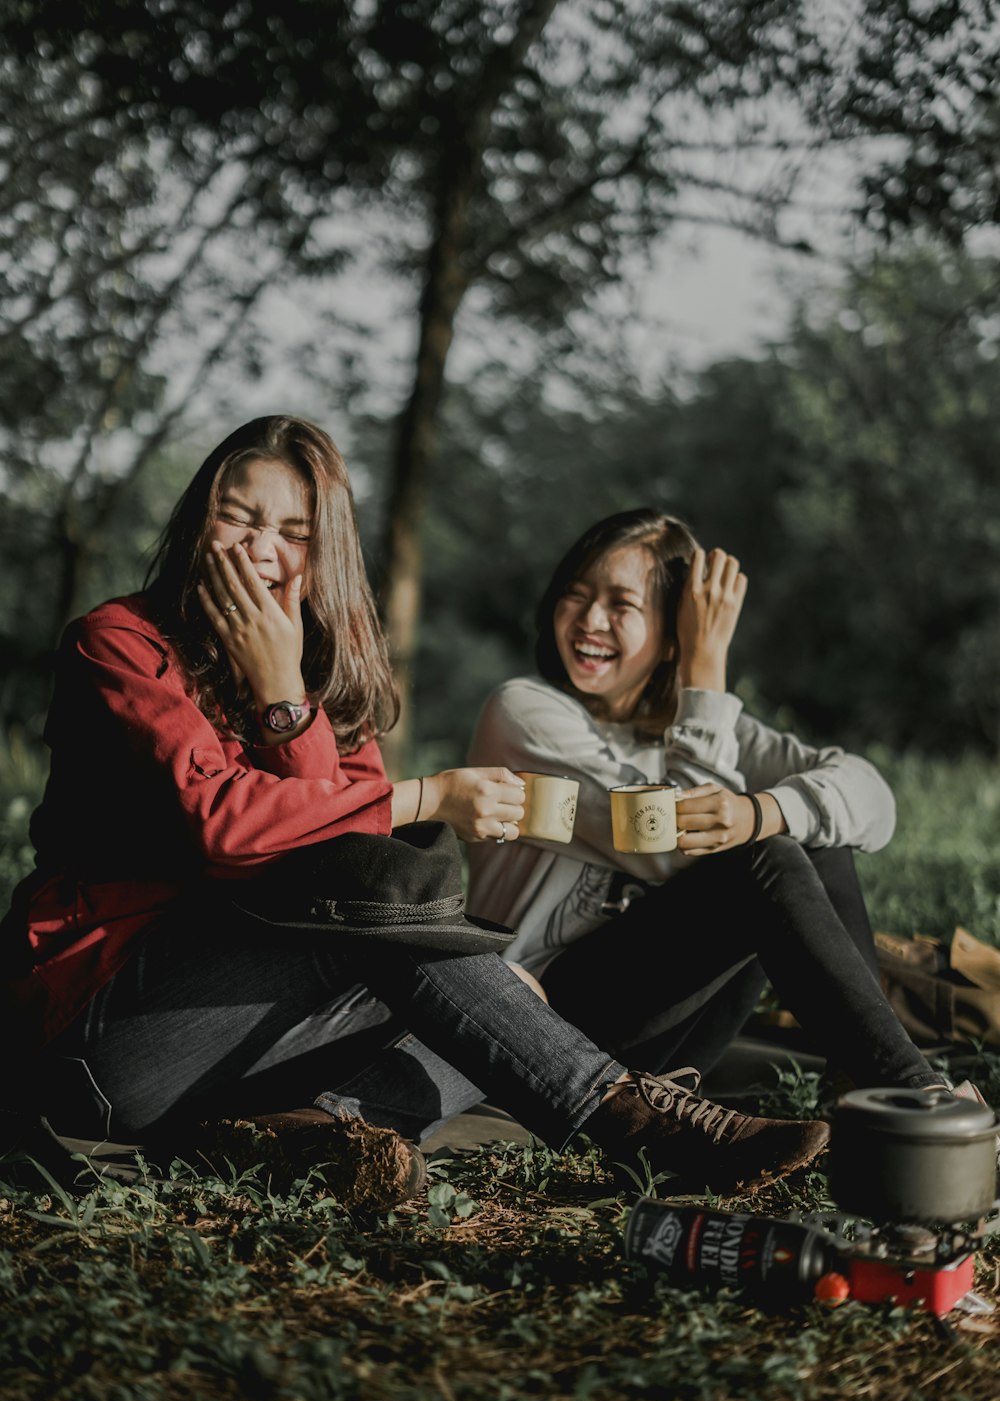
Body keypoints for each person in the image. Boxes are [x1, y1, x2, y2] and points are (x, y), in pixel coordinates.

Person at [0, 422, 832, 1211]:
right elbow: (228, 827)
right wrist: (427, 796)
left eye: (292, 532)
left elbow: (354, 853)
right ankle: (634, 1120)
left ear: (322, 554)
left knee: (511, 988)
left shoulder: (318, 674)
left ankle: (305, 1135)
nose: (260, 549)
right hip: (105, 1034)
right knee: (399, 923)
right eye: (237, 517)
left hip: (232, 1052)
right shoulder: (119, 643)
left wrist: (284, 691)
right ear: (197, 521)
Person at [466, 507, 956, 1104]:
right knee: (763, 859)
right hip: (539, 1021)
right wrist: (706, 668)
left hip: (666, 1038)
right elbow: (668, 847)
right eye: (576, 595)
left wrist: (762, 811)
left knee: (805, 830)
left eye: (621, 604)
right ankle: (914, 1095)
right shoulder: (523, 712)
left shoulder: (713, 726)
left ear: (672, 631)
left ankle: (860, 1083)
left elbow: (873, 800)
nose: (591, 619)